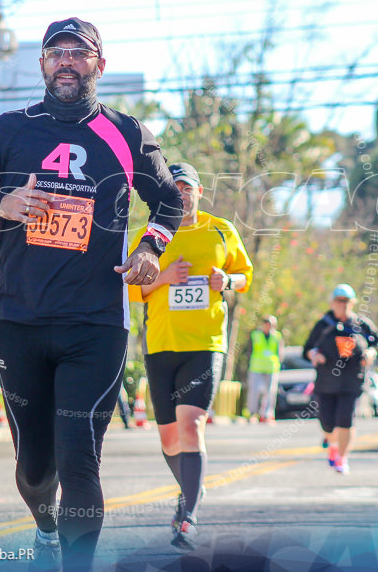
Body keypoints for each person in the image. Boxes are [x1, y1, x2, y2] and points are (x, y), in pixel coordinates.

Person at [0, 17, 183, 571]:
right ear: (43, 64)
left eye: (79, 52)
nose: (66, 61)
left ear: (100, 62)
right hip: (20, 320)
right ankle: (45, 527)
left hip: (96, 323)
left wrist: (150, 248)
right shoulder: (7, 130)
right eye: (56, 53)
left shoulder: (126, 132)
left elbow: (170, 202)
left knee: (79, 461)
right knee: (33, 469)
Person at [128, 161, 253, 550]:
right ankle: (189, 493)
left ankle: (189, 517)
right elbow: (130, 287)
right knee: (169, 440)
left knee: (191, 426)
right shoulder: (152, 236)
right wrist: (163, 278)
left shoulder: (221, 230)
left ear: (199, 192)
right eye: (174, 188)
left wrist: (226, 281)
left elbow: (245, 275)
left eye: (186, 188)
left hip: (205, 343)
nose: (180, 194)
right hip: (162, 343)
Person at [305, 284, 378, 475]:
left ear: (352, 303)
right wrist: (314, 354)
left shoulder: (361, 323)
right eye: (339, 301)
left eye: (346, 301)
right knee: (326, 422)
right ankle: (332, 443)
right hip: (326, 381)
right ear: (332, 302)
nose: (342, 305)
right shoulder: (323, 324)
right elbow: (307, 348)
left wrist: (371, 352)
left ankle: (342, 457)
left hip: (352, 379)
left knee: (345, 420)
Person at [246, 315, 284, 424]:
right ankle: (252, 414)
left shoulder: (277, 336)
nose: (269, 326)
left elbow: (280, 351)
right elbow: (249, 350)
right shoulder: (255, 334)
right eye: (267, 323)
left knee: (270, 392)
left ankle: (267, 415)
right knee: (254, 392)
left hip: (271, 367)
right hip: (256, 367)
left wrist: (279, 362)